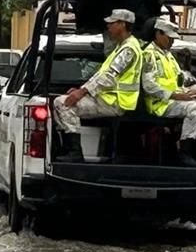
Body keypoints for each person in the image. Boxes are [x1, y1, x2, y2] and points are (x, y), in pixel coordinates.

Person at [53, 9, 144, 162]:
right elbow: (101, 74)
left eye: (112, 23)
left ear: (122, 24)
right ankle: (72, 150)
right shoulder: (121, 46)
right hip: (108, 98)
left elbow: (108, 77)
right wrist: (82, 90)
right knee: (63, 101)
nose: (108, 26)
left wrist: (82, 92)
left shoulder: (129, 49)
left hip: (116, 102)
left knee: (63, 104)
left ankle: (75, 152)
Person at [141, 18, 196, 167]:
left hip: (176, 97)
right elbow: (148, 85)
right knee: (194, 109)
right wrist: (176, 95)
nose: (172, 42)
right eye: (169, 38)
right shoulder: (149, 55)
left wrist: (189, 91)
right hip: (161, 103)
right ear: (158, 34)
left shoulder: (168, 55)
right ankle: (184, 153)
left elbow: (178, 80)